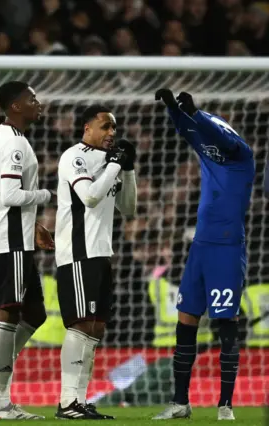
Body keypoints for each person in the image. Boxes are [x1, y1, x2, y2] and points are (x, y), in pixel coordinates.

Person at [153, 89, 254, 421]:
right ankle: (180, 402)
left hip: (227, 248)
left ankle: (225, 404)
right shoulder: (210, 151)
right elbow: (188, 131)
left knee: (226, 322)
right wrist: (173, 110)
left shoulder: (241, 154)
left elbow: (214, 132)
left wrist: (196, 113)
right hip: (200, 247)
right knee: (187, 319)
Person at [0, 81, 54, 420]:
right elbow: (10, 196)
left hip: (13, 234)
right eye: (31, 99)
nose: (38, 103)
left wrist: (33, 224)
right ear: (15, 106)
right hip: (9, 239)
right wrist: (46, 196)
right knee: (9, 312)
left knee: (35, 314)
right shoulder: (15, 144)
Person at [54, 104, 137, 420]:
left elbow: (128, 208)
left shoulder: (109, 162)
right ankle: (66, 402)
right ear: (87, 128)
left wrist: (126, 169)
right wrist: (115, 165)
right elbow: (89, 197)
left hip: (102, 253)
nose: (112, 133)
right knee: (81, 325)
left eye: (114, 128)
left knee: (96, 328)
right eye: (105, 126)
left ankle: (79, 400)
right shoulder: (74, 157)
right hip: (78, 253)